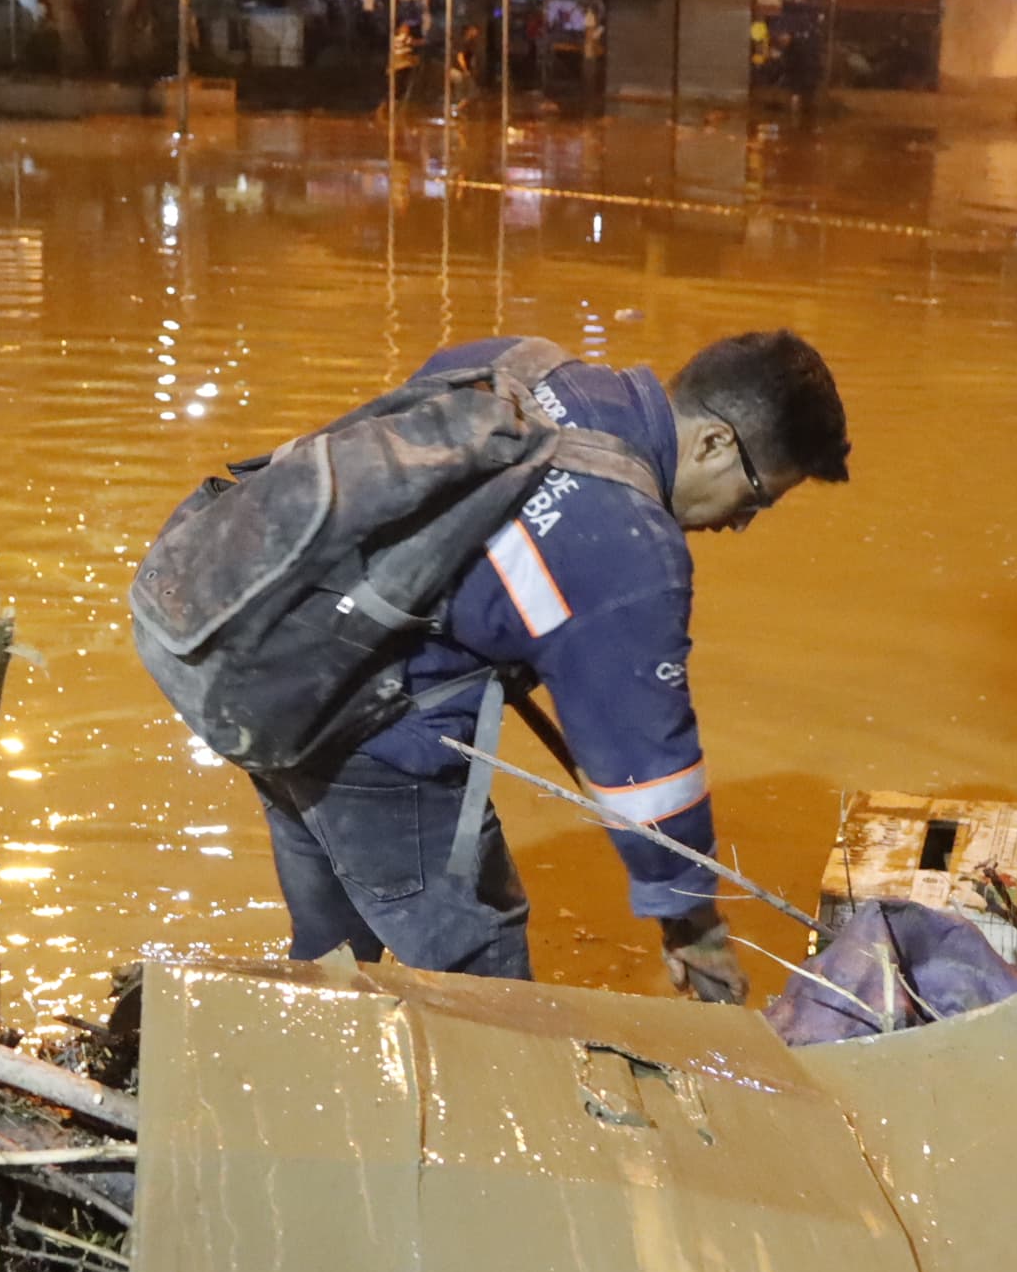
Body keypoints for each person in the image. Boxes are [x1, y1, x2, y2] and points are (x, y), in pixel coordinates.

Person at [247, 330, 851, 1001]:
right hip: (368, 729)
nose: (738, 523)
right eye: (755, 498)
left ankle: (293, 1060)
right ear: (714, 443)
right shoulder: (628, 545)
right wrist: (693, 924)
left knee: (331, 947)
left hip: (265, 656)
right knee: (488, 977)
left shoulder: (521, 365)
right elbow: (647, 773)